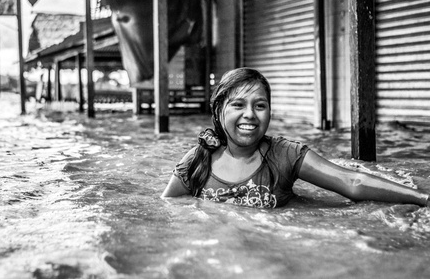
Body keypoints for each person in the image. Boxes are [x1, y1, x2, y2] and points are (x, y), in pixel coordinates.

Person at [161, 67, 430, 208]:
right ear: (219, 110)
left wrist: (422, 198)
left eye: (260, 105)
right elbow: (170, 208)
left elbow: (352, 181)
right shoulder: (198, 160)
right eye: (238, 105)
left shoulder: (285, 155)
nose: (250, 115)